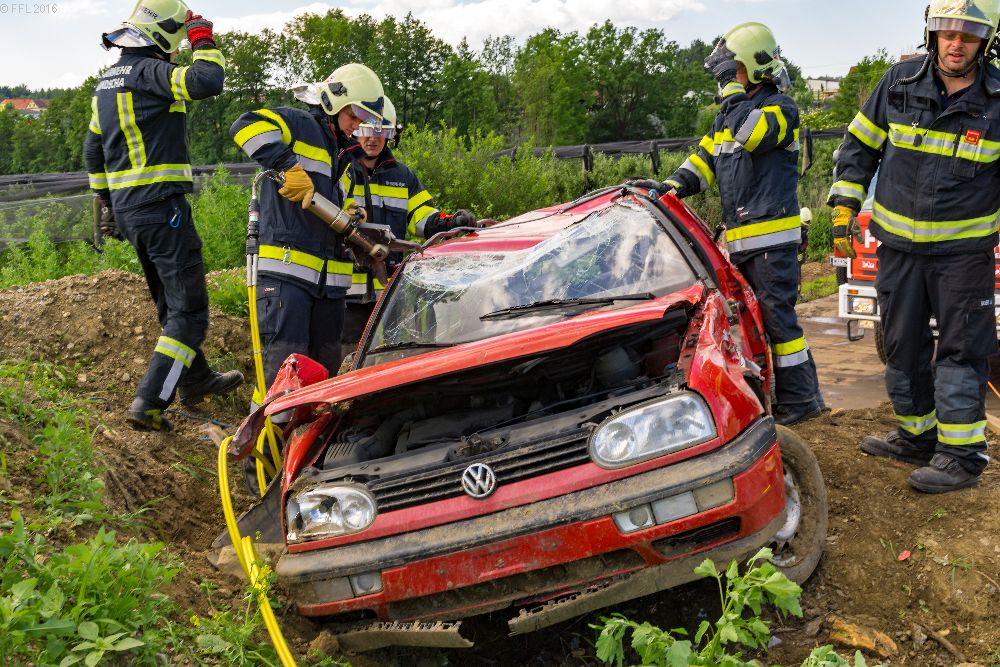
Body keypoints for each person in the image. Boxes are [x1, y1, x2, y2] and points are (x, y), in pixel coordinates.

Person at [829, 0, 1000, 493]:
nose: (956, 44)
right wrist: (843, 207)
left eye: (968, 36)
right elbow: (859, 148)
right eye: (948, 33)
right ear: (932, 34)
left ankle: (962, 457)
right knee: (902, 346)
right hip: (898, 251)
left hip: (963, 258)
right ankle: (916, 437)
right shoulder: (899, 83)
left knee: (961, 352)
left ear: (987, 41)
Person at [83, 0, 242, 432]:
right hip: (161, 207)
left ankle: (195, 378)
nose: (176, 52)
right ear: (163, 36)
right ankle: (150, 402)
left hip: (130, 211)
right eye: (177, 42)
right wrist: (203, 39)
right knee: (189, 311)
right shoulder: (148, 72)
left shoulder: (105, 84)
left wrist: (106, 204)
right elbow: (207, 81)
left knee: (169, 302)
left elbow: (92, 149)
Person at [659, 22, 824, 426]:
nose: (724, 81)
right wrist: (668, 188)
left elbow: (751, 134)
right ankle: (771, 400)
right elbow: (701, 164)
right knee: (751, 326)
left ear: (751, 68)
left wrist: (731, 93)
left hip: (772, 245)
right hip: (742, 246)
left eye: (730, 71)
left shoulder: (781, 109)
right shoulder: (726, 119)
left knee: (779, 322)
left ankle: (803, 400)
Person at [229, 64, 384, 384]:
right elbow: (245, 125)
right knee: (285, 377)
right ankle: (272, 420)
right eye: (354, 114)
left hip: (330, 290)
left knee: (323, 380)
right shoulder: (298, 124)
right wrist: (286, 164)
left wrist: (350, 211)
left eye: (363, 119)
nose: (357, 124)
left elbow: (341, 198)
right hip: (288, 280)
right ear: (335, 101)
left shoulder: (346, 155)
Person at [339, 96, 478, 350]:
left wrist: (449, 222)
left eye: (382, 131)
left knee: (393, 355)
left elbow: (421, 216)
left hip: (389, 294)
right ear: (354, 129)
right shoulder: (341, 170)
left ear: (391, 134)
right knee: (348, 359)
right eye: (367, 130)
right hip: (347, 294)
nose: (373, 138)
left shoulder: (402, 176)